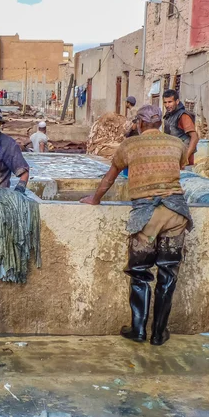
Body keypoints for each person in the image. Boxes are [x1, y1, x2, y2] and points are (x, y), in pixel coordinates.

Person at [80, 105, 192, 346]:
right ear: (160, 124)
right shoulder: (176, 144)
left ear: (139, 124)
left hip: (146, 215)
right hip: (176, 212)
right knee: (168, 273)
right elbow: (180, 167)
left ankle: (138, 330)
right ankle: (159, 333)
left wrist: (94, 199)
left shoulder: (128, 146)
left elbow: (110, 177)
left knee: (140, 273)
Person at [163, 90, 199, 166]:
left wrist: (185, 158)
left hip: (183, 160)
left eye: (170, 102)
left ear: (177, 101)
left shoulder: (183, 116)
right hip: (174, 156)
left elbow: (194, 137)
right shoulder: (169, 115)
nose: (167, 105)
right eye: (165, 102)